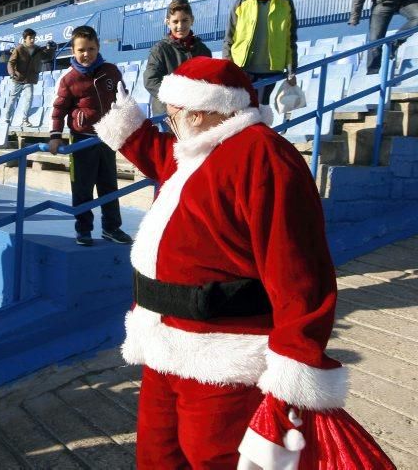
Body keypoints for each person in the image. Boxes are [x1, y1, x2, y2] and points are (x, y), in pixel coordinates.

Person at [92, 56, 395, 469]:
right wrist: (124, 127)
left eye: (172, 115)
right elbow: (164, 156)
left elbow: (299, 271)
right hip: (162, 344)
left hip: (224, 358)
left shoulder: (264, 157)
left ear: (198, 113)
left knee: (213, 456)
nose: (168, 123)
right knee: (158, 455)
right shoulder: (201, 148)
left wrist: (296, 361)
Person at [47, 26, 133, 247]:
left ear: (98, 47)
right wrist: (55, 136)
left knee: (108, 185)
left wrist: (126, 120)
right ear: (73, 51)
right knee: (82, 187)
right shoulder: (69, 80)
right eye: (81, 50)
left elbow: (122, 97)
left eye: (91, 49)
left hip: (107, 137)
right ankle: (83, 230)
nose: (86, 54)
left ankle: (111, 228)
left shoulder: (111, 71)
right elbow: (59, 109)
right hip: (81, 141)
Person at [223, 0, 298, 105]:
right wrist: (228, 68)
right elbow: (229, 38)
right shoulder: (240, 4)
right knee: (242, 111)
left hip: (270, 70)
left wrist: (291, 70)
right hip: (242, 69)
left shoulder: (286, 4)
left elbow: (290, 39)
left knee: (261, 110)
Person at [144, 0, 212, 116]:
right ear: (168, 22)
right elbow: (151, 81)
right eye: (175, 21)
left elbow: (209, 80)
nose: (180, 26)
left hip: (195, 113)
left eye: (185, 20)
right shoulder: (159, 50)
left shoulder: (203, 51)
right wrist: (177, 97)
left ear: (192, 20)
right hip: (168, 115)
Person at [350, 0, 418, 75]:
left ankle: (394, 43)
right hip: (383, 3)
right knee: (375, 40)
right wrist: (354, 16)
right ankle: (372, 74)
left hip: (407, 1)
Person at [5, 28, 57, 127]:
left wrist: (52, 49)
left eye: (34, 38)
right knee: (13, 99)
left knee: (29, 98)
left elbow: (47, 57)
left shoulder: (37, 49)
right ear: (25, 39)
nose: (32, 40)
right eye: (30, 38)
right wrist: (12, 73)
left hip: (29, 79)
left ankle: (25, 120)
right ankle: (7, 119)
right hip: (18, 79)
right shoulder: (19, 49)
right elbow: (10, 63)